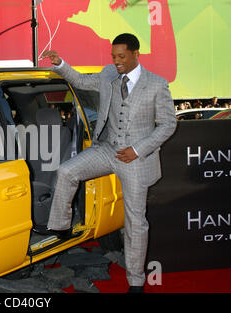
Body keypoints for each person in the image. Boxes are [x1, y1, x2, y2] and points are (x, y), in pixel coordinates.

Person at [40, 33, 177, 293]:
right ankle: (61, 227)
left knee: (135, 221)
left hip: (136, 158)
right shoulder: (107, 75)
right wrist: (60, 64)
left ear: (136, 54)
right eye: (113, 56)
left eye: (122, 57)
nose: (116, 61)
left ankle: (136, 282)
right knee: (67, 171)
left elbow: (169, 124)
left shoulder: (157, 84)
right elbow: (80, 80)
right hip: (107, 149)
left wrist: (137, 150)